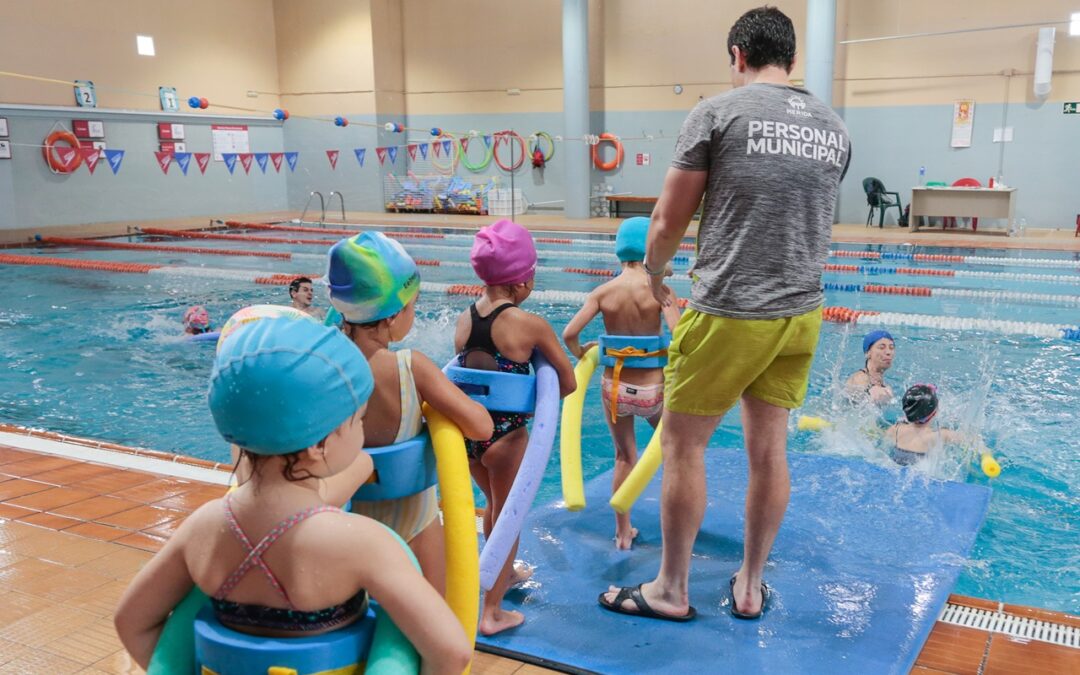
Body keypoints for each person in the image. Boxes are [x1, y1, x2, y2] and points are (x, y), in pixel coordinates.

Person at [600, 6, 850, 622]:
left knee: (684, 447)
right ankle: (749, 584)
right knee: (770, 451)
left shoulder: (717, 113)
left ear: (738, 54)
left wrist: (656, 278)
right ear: (790, 58)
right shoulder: (833, 126)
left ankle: (671, 589)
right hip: (800, 313)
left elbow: (665, 221)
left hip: (730, 310)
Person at [114, 315, 471, 673]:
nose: (362, 432)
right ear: (319, 444)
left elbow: (131, 622)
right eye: (358, 421)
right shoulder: (366, 544)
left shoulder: (203, 529)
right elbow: (452, 651)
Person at [326, 231, 493, 597]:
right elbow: (481, 427)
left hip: (343, 521)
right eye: (413, 306)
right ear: (391, 315)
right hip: (413, 522)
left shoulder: (322, 364)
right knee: (434, 609)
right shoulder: (410, 368)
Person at [453, 219, 577, 635]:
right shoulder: (529, 324)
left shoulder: (463, 320)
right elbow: (567, 382)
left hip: (470, 436)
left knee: (494, 509)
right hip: (507, 437)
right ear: (522, 282)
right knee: (509, 519)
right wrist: (536, 398)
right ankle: (491, 612)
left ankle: (499, 575)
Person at [562, 217, 682, 550]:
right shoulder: (660, 291)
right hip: (653, 391)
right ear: (651, 250)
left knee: (624, 457)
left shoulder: (603, 293)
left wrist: (583, 352)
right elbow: (681, 337)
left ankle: (622, 532)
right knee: (672, 452)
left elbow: (570, 334)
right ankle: (675, 527)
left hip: (615, 391)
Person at [846, 330, 895, 405]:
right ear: (867, 353)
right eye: (881, 348)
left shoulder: (883, 384)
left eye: (891, 348)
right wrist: (869, 390)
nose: (888, 352)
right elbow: (858, 383)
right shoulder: (860, 377)